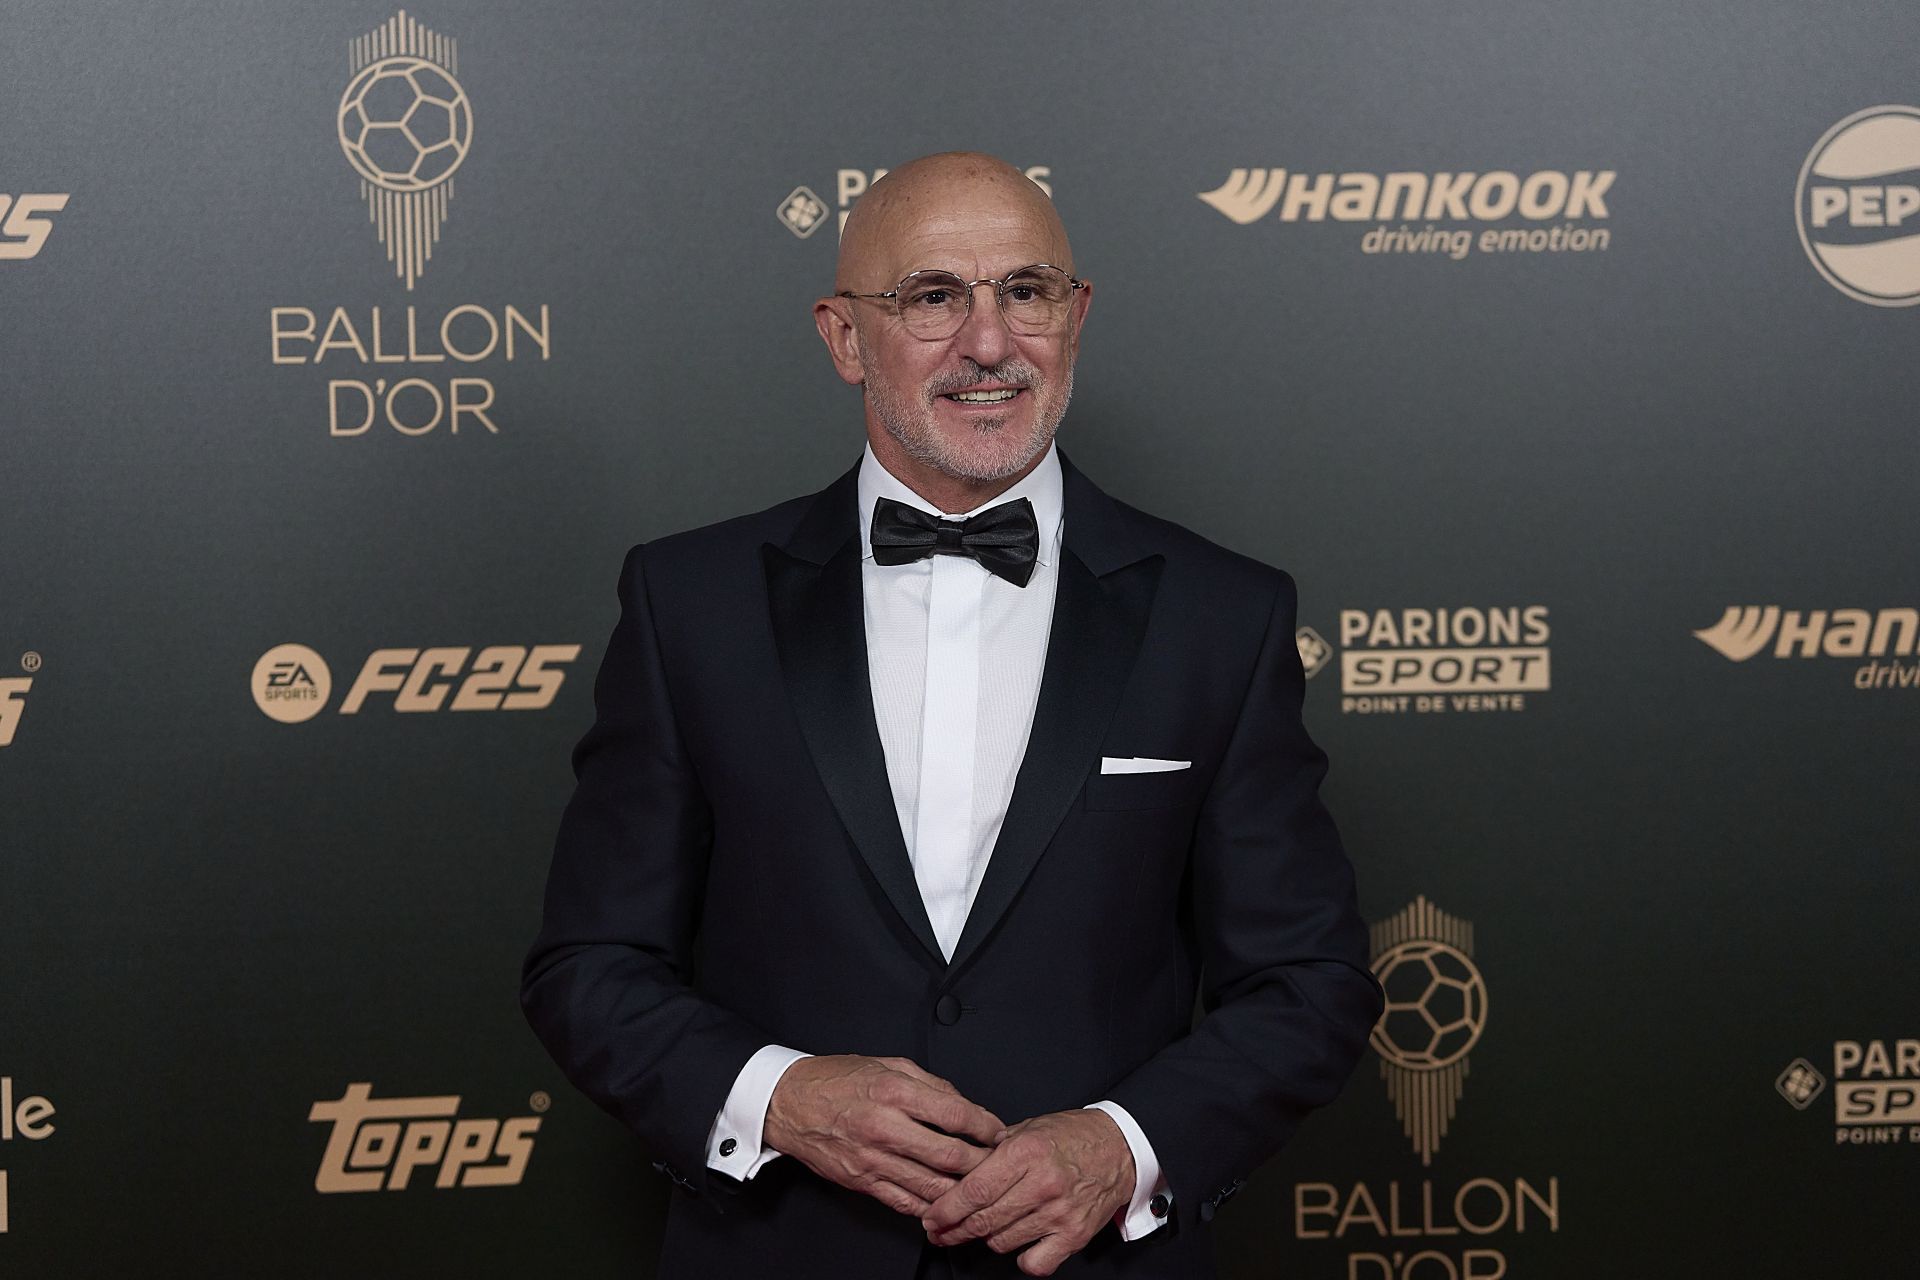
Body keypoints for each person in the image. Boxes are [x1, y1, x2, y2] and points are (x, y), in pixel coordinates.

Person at [521, 151, 1383, 1280]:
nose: (990, 341)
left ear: (1076, 315)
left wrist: (1125, 1148)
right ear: (842, 337)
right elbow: (588, 963)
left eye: (1026, 291)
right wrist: (779, 1094)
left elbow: (1310, 982)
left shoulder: (1226, 615)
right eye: (933, 297)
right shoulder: (691, 603)